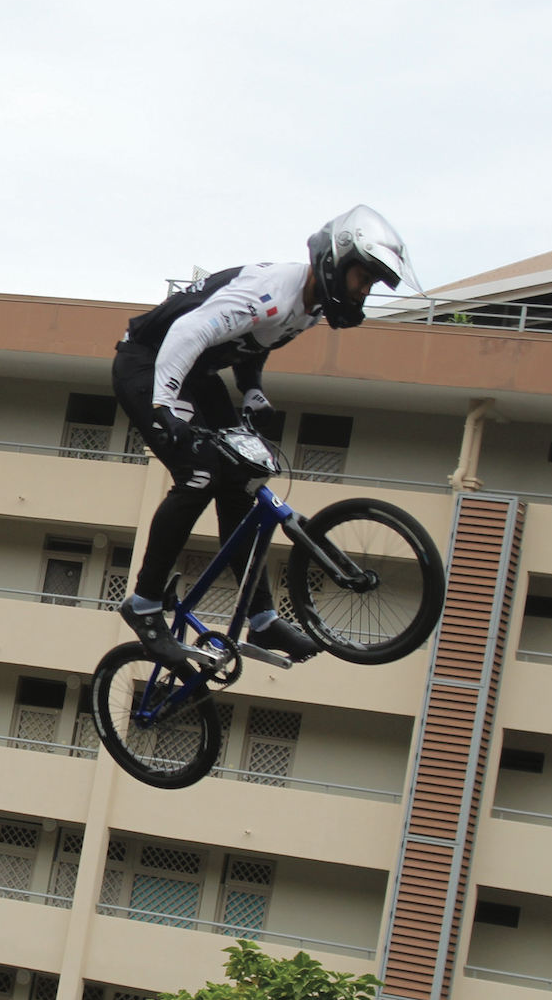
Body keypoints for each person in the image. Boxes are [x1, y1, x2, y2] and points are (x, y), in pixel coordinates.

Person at [114, 205, 421, 663]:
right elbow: (189, 331)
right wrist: (164, 405)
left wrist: (253, 389)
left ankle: (260, 620)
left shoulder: (308, 308)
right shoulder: (270, 292)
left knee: (244, 481)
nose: (364, 290)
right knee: (200, 474)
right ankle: (143, 604)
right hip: (149, 362)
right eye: (363, 277)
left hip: (197, 373)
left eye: (372, 283)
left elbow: (251, 343)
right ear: (337, 262)